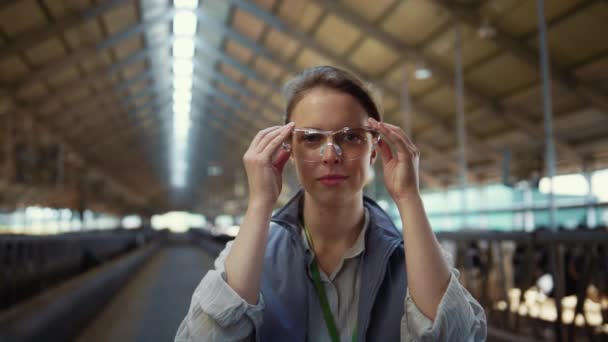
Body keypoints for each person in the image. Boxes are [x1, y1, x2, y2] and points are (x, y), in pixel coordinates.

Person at [175, 65, 487, 341]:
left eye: (350, 137)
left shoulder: (410, 259)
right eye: (311, 138)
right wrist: (260, 202)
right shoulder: (255, 253)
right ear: (290, 153)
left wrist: (409, 198)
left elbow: (456, 336)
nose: (330, 155)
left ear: (374, 151)